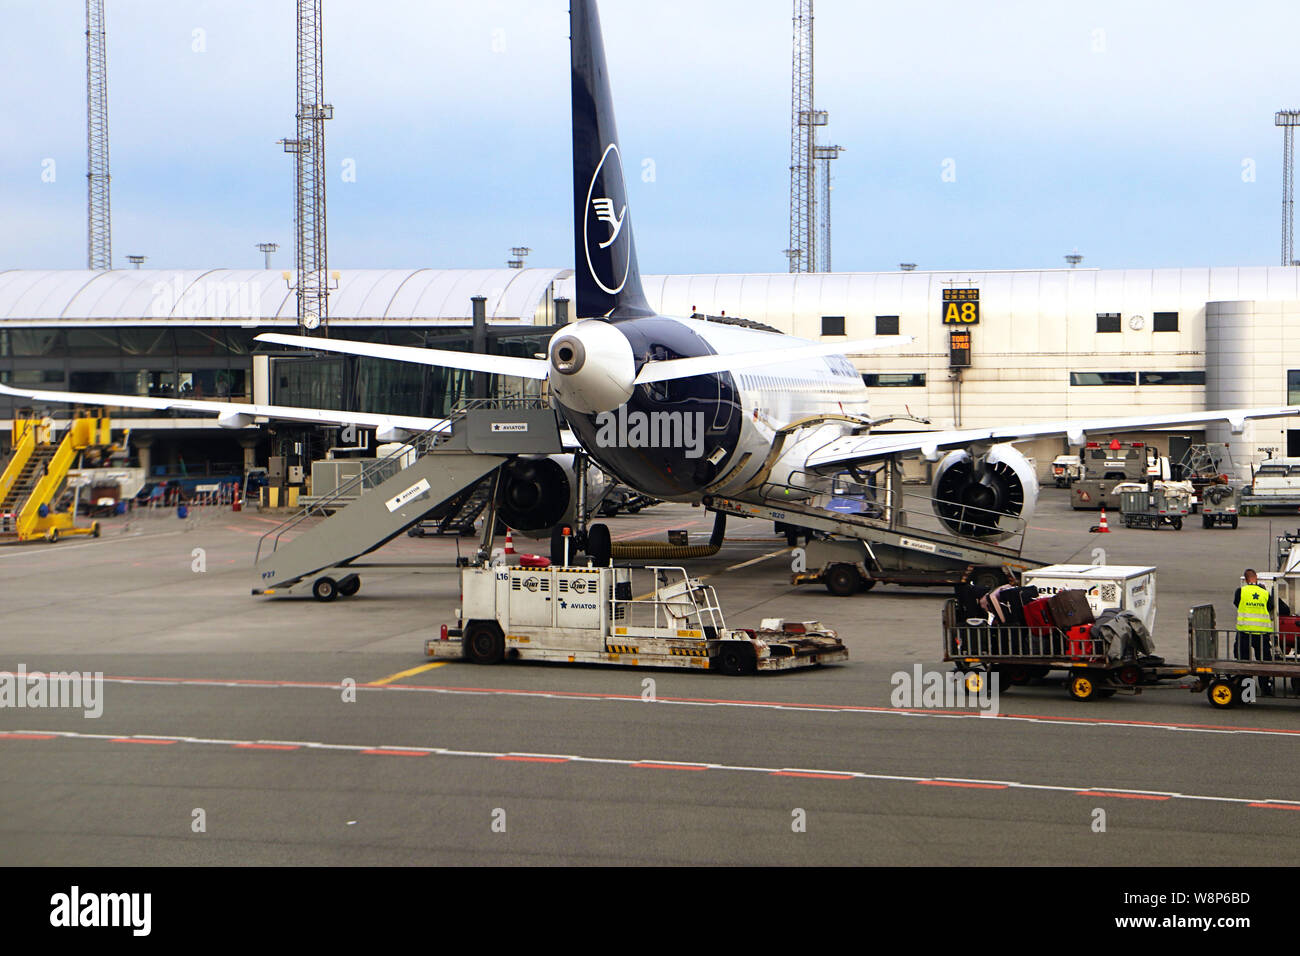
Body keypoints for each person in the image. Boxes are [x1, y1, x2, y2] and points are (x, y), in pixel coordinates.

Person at [1234, 569, 1275, 694]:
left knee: (1245, 662)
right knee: (1264, 662)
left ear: (1246, 580)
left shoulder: (1241, 591)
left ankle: (1248, 692)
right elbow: (1271, 607)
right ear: (1256, 578)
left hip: (1244, 632)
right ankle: (1265, 689)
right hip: (1262, 632)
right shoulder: (1264, 592)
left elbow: (1237, 604)